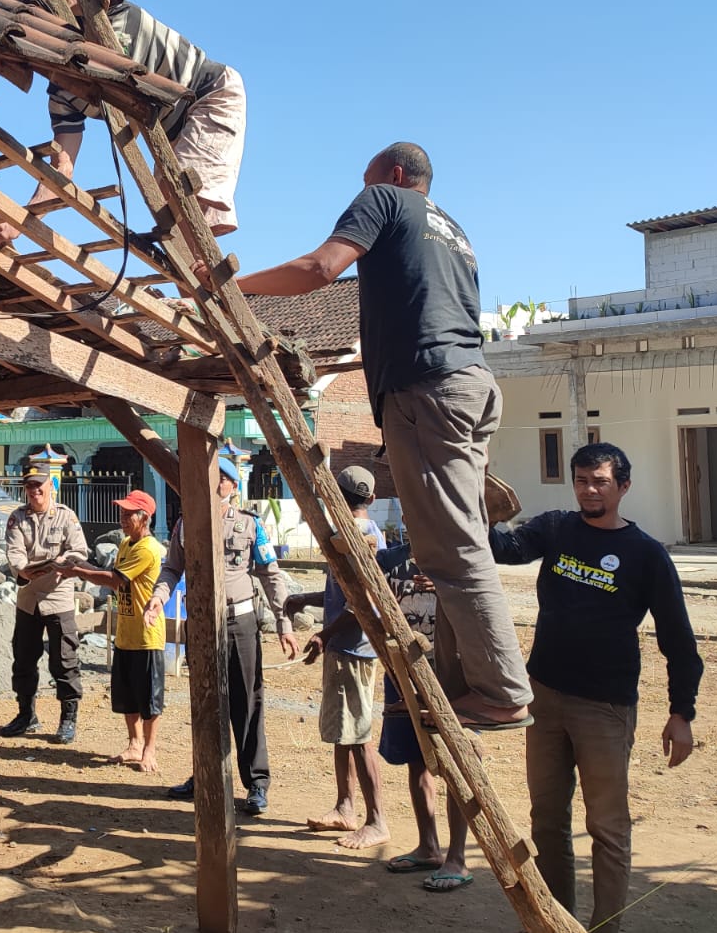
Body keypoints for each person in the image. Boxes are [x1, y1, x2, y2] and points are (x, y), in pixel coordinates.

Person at [227, 141, 532, 729]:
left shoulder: (385, 199)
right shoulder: (454, 231)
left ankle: (502, 691)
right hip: (473, 384)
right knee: (453, 540)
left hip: (427, 387)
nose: (361, 188)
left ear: (394, 176)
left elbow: (321, 268)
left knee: (451, 548)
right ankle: (469, 682)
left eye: (366, 179)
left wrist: (242, 288)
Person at [491, 442, 703, 933]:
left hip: (606, 707)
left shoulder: (646, 554)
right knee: (546, 817)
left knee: (607, 826)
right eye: (582, 480)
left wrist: (682, 712)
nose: (590, 490)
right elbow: (503, 549)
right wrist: (474, 492)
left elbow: (678, 639)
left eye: (601, 481)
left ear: (623, 486)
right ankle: (553, 924)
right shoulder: (559, 528)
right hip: (545, 697)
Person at [0, 0, 246, 246]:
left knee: (182, 193)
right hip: (168, 132)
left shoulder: (105, 15)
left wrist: (4, 4)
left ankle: (205, 278)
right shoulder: (63, 92)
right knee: (175, 216)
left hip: (208, 93)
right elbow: (63, 168)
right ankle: (196, 283)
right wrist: (23, 219)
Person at [150, 458, 299, 815]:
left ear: (232, 486)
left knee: (246, 703)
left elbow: (270, 573)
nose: (213, 485)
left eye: (221, 480)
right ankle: (206, 774)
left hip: (240, 624)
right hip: (201, 624)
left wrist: (284, 622)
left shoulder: (249, 525)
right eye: (208, 478)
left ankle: (256, 783)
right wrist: (159, 596)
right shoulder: (187, 524)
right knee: (204, 702)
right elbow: (172, 568)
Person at [283, 466, 389, 848]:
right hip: (346, 645)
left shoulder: (359, 541)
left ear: (333, 498)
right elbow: (342, 596)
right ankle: (345, 807)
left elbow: (364, 605)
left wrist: (324, 634)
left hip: (353, 648)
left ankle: (376, 820)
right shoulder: (360, 534)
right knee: (344, 732)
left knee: (359, 735)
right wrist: (305, 599)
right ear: (371, 500)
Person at [376, 543, 474, 893]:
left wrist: (448, 590)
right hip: (403, 671)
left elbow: (482, 607)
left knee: (456, 765)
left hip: (450, 672)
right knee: (416, 760)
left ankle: (458, 859)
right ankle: (428, 846)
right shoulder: (389, 560)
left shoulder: (459, 557)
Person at [57, 490, 166, 772]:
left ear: (145, 518)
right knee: (127, 695)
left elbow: (115, 580)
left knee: (149, 699)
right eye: (123, 512)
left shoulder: (147, 548)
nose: (123, 517)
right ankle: (134, 744)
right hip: (126, 634)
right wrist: (80, 567)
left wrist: (78, 570)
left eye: (129, 513)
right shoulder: (127, 544)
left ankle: (150, 751)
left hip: (146, 637)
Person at [0, 470, 91, 743]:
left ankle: (68, 718)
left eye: (39, 487)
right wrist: (22, 569)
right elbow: (14, 552)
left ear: (50, 487)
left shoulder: (66, 516)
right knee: (24, 659)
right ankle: (26, 714)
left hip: (58, 597)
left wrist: (63, 561)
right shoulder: (17, 517)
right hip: (28, 598)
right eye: (29, 487)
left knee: (64, 660)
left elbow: (80, 551)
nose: (34, 492)